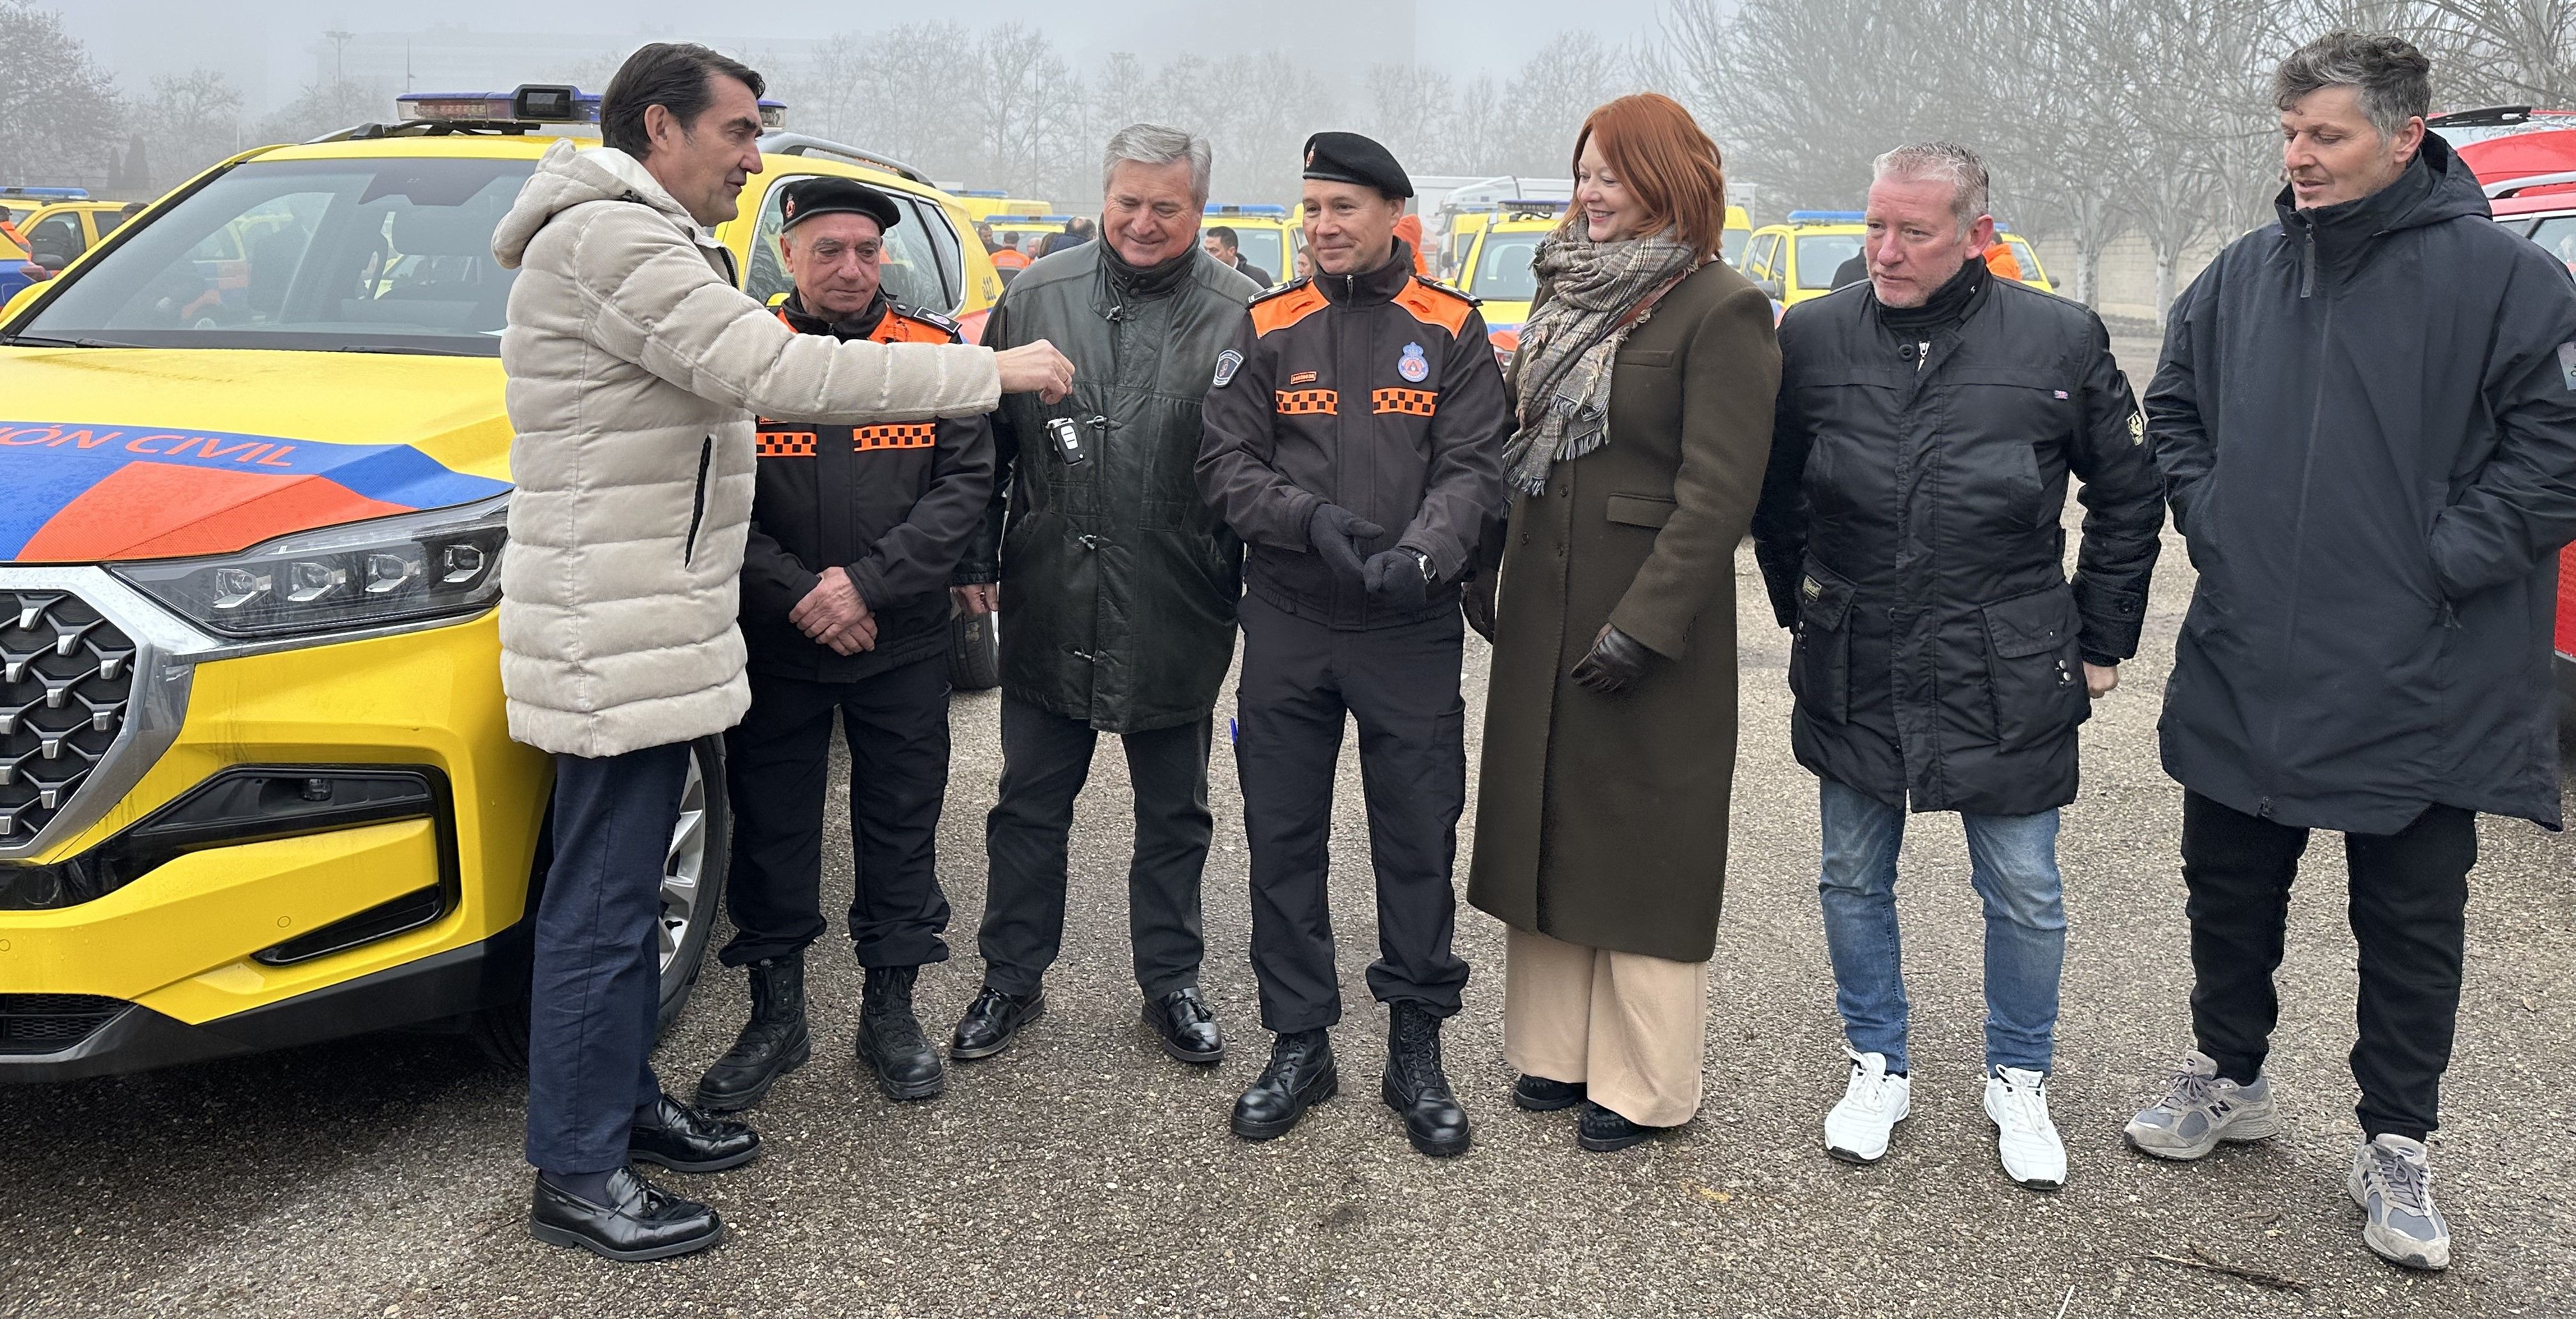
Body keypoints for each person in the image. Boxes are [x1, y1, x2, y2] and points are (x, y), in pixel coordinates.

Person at [490, 42, 1071, 1263]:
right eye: (738, 132)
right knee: (602, 910)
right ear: (662, 128)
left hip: (652, 629)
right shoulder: (612, 240)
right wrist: (990, 370)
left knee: (632, 891)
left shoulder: (635, 237)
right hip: (619, 635)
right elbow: (774, 372)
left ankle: (619, 1103)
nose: (753, 158)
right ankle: (578, 1172)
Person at [2128, 31, 2576, 1273]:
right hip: (2252, 652)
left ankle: (2397, 1140)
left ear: (2405, 134)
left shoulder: (2508, 283)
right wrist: (2219, 524)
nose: (2299, 157)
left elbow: (2557, 455)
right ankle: (2229, 1073)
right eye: (2289, 134)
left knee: (2413, 920)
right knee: (2229, 886)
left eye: (2323, 135)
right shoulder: (2244, 276)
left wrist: (2436, 560)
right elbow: (2175, 407)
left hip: (2426, 671)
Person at [1749, 141, 2163, 1193]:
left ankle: (2016, 1075)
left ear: (1976, 234)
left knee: (2023, 888)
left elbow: (2126, 497)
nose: (1883, 250)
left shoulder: (2058, 339)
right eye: (1873, 226)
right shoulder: (1812, 336)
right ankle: (1875, 1062)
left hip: (2007, 660)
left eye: (1912, 231)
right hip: (1856, 654)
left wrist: (2100, 638)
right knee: (1850, 873)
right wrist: (1808, 609)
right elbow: (1776, 494)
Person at [1464, 94, 1780, 1154]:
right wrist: (1485, 562)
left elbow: (1718, 491)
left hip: (1648, 628)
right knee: (1547, 826)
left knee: (1644, 843)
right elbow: (1522, 449)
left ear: (1665, 182)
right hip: (1545, 610)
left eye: (1608, 175)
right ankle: (1555, 1053)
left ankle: (1646, 1083)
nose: (1587, 195)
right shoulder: (1564, 294)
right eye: (1582, 173)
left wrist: (1646, 625)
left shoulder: (1718, 308)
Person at [1197, 132, 1510, 1157]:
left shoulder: (1452, 330)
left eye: (1343, 209)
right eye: (1312, 209)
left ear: (1392, 216)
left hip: (1408, 626)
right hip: (1289, 616)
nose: (1323, 227)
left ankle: (1416, 1048)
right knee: (1283, 837)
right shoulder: (1266, 324)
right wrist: (1307, 521)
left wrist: (1429, 553)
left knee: (1416, 841)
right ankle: (1299, 1041)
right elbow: (1227, 465)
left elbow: (1473, 468)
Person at [947, 125, 1261, 1071]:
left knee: (1177, 812)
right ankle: (1011, 975)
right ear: (1105, 193)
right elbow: (985, 446)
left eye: (1166, 206)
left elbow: (1261, 468)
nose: (1142, 221)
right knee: (1029, 805)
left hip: (1177, 602)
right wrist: (973, 555)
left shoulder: (1243, 316)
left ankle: (1171, 981)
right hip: (1052, 595)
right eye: (1128, 200)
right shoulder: (1037, 297)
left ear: (1201, 211)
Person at [691, 178, 996, 1116]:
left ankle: (888, 1014)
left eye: (868, 250)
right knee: (772, 830)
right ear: (789, 256)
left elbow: (964, 489)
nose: (853, 268)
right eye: (830, 250)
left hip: (898, 641)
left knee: (900, 826)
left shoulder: (933, 355)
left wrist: (864, 586)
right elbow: (711, 497)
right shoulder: (744, 355)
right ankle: (776, 1019)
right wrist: (802, 595)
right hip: (778, 642)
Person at [1202, 225, 1273, 286]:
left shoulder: (1258, 278)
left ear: (1231, 251)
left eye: (1213, 251)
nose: (1207, 255)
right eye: (1205, 249)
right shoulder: (1200, 276)